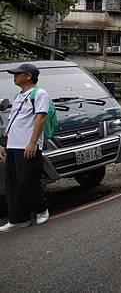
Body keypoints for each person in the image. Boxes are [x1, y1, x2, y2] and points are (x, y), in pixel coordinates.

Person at [0, 63, 50, 232]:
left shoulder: (40, 93)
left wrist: (33, 142)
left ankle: (41, 209)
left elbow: (41, 117)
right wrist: (3, 143)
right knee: (13, 184)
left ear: (28, 76)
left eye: (17, 74)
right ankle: (18, 218)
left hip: (28, 145)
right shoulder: (19, 96)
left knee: (27, 180)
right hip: (13, 145)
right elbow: (12, 121)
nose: (14, 77)